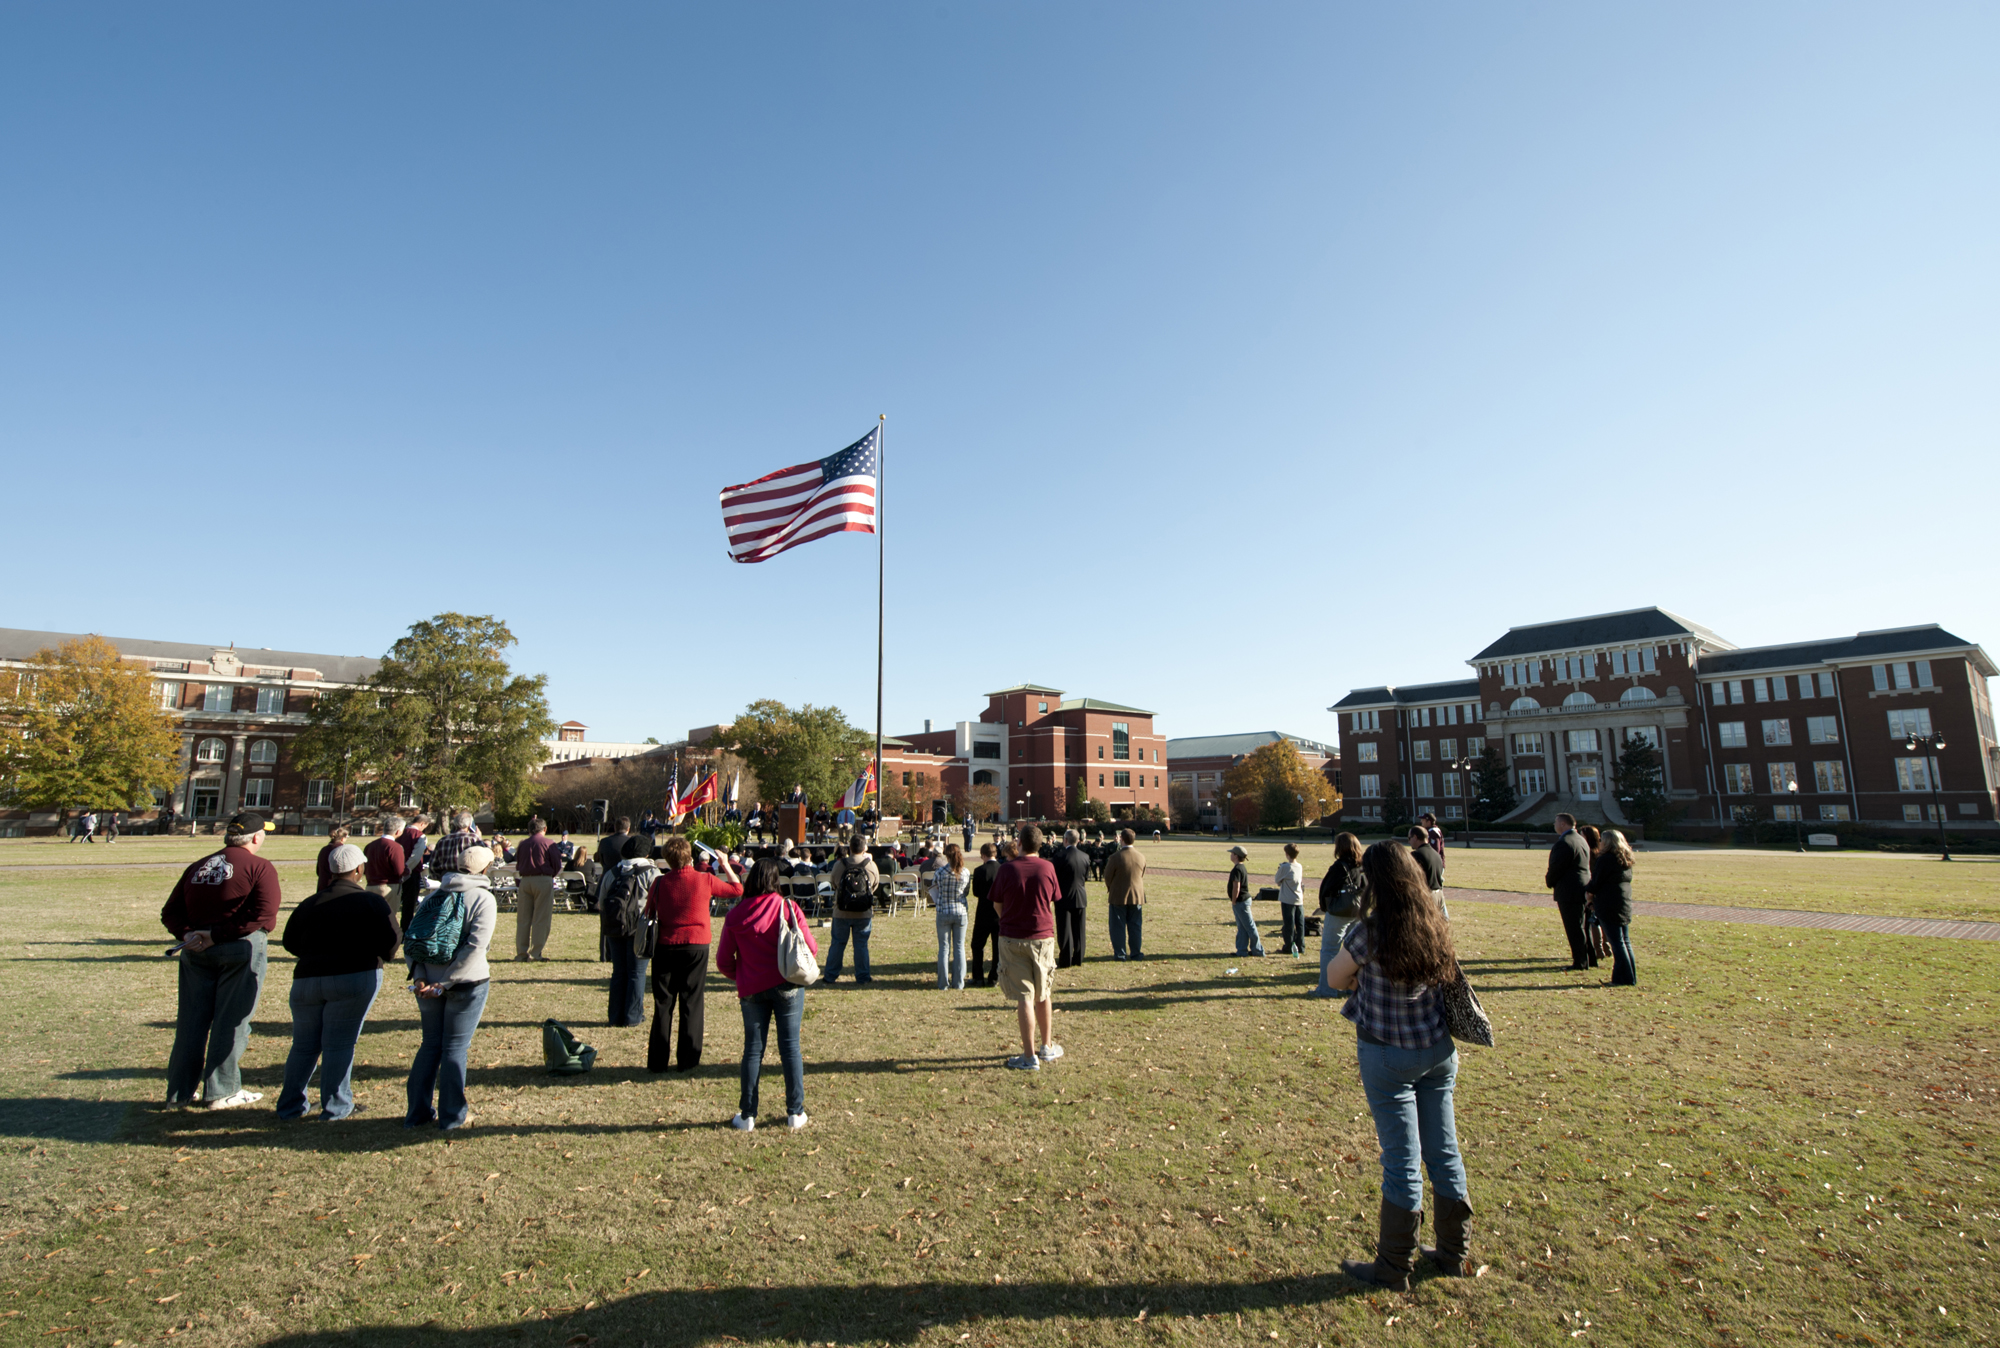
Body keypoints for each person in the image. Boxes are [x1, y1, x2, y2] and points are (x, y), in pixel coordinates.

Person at [1327, 841, 1477, 1289]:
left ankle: (1394, 1265)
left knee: (1401, 1160)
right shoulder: (1435, 923)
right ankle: (1454, 1252)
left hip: (1388, 1053)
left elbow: (1335, 978)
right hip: (1437, 1050)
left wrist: (1358, 977)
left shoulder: (1369, 933)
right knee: (1445, 1152)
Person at [160, 811, 283, 1110]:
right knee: (232, 1022)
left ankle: (179, 1094)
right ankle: (222, 1090)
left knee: (191, 1023)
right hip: (238, 948)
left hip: (195, 951)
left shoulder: (198, 865)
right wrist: (217, 935)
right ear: (256, 837)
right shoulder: (259, 866)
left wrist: (189, 934)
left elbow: (170, 912)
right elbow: (264, 915)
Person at [277, 842, 400, 1121]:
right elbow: (391, 942)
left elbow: (290, 941)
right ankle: (336, 1106)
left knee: (304, 1044)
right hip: (353, 976)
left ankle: (290, 1105)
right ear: (359, 870)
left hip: (307, 978)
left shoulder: (310, 903)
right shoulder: (371, 902)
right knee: (339, 1043)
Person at [714, 856, 817, 1130]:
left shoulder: (736, 915)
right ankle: (795, 1112)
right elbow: (811, 948)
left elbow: (723, 961)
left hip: (751, 990)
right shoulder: (788, 907)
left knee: (752, 1050)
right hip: (788, 985)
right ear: (775, 880)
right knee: (790, 1048)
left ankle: (747, 1114)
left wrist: (745, 976)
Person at [405, 844, 498, 1131]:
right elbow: (475, 947)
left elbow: (414, 939)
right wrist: (446, 983)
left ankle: (417, 1113)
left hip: (429, 979)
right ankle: (451, 1116)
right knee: (455, 1048)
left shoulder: (434, 895)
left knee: (430, 1045)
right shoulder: (483, 898)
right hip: (465, 982)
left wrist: (420, 976)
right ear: (486, 869)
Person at [643, 835, 742, 1071]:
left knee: (663, 1003)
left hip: (666, 945)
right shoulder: (705, 879)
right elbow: (737, 888)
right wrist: (725, 864)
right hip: (696, 945)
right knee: (692, 1001)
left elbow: (649, 911)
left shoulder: (659, 883)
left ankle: (658, 1061)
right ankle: (687, 1060)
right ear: (690, 856)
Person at [992, 824, 1061, 1071]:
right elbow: (1052, 902)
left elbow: (997, 904)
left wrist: (1008, 919)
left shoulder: (1007, 869)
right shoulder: (1048, 868)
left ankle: (1030, 1055)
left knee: (1025, 996)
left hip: (1012, 937)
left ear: (1019, 843)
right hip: (1042, 937)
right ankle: (1047, 1047)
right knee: (1043, 992)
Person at [600, 836, 663, 1027]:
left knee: (618, 972)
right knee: (637, 973)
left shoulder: (612, 872)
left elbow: (601, 901)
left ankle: (615, 1016)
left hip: (614, 926)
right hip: (640, 927)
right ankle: (633, 1016)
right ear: (646, 852)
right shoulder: (651, 873)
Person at [1312, 832, 1364, 998]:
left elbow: (1326, 888)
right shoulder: (1362, 866)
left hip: (1339, 911)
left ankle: (1327, 988)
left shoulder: (1339, 867)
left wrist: (1324, 906)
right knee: (1352, 950)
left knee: (1329, 950)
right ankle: (1351, 985)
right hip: (1358, 910)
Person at [822, 836, 880, 984]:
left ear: (849, 847)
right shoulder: (871, 865)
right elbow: (874, 886)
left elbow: (834, 883)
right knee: (861, 945)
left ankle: (830, 975)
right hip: (863, 912)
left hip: (842, 911)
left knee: (837, 944)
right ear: (865, 847)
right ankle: (863, 976)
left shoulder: (840, 865)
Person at [1545, 813, 1594, 971]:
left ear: (1563, 824)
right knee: (1583, 926)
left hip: (1569, 890)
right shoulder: (1581, 840)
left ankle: (1580, 962)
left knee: (1574, 928)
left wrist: (1549, 881)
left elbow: (1556, 868)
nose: (1554, 825)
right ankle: (1590, 958)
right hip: (1582, 887)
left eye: (1556, 822)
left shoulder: (1564, 843)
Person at [511, 817, 564, 962]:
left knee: (523, 919)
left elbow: (518, 863)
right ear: (544, 829)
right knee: (541, 918)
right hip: (543, 879)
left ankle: (521, 953)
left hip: (525, 880)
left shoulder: (522, 844)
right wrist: (549, 875)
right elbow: (557, 864)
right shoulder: (549, 843)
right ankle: (535, 953)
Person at [1589, 829, 1637, 986]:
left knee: (1617, 943)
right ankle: (1630, 977)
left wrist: (1588, 892)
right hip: (1622, 901)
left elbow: (1596, 882)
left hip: (1608, 903)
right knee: (1625, 941)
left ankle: (1622, 979)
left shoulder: (1605, 859)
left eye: (1602, 840)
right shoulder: (1625, 859)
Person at [931, 842, 971, 990]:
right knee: (959, 947)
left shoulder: (940, 872)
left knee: (944, 947)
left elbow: (935, 888)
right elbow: (966, 891)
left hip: (943, 911)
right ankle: (959, 982)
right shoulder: (965, 872)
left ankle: (943, 983)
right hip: (960, 911)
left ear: (946, 855)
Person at [1103, 828, 1146, 960]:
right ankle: (1136, 952)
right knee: (1135, 926)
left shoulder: (1115, 857)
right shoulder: (1141, 856)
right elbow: (1141, 874)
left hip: (1118, 896)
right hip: (1137, 896)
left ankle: (1120, 953)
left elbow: (1107, 876)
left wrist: (1111, 887)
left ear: (1121, 839)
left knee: (1118, 927)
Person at [1051, 829, 1090, 967]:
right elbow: (1086, 876)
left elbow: (1054, 878)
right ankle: (1078, 957)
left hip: (1063, 897)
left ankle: (1065, 959)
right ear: (1078, 840)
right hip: (1080, 895)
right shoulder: (1085, 856)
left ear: (1065, 840)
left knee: (1064, 929)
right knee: (1079, 929)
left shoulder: (1059, 857)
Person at [968, 842, 1003, 986]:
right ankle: (994, 977)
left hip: (983, 912)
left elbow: (976, 892)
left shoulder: (979, 870)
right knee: (997, 947)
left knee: (977, 945)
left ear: (983, 855)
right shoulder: (1003, 870)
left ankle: (978, 976)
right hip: (999, 913)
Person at [1227, 846, 1265, 957]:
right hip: (1243, 901)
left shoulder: (1237, 869)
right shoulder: (1241, 867)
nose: (1230, 855)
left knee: (1249, 926)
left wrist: (1234, 901)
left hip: (1241, 902)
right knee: (1242, 927)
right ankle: (1242, 951)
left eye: (1232, 853)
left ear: (1236, 856)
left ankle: (1258, 950)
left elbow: (1236, 887)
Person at [396, 815, 431, 931]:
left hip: (396, 871)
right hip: (410, 873)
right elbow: (415, 857)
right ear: (422, 824)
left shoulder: (400, 833)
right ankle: (405, 930)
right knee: (408, 904)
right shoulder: (419, 836)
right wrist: (406, 870)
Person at [1405, 826, 1447, 919]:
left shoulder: (1417, 855)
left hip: (1427, 896)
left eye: (1409, 838)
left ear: (1415, 837)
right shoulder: (1436, 854)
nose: (1409, 841)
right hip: (1439, 895)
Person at [428, 810, 482, 879]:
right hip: (467, 877)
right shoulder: (473, 838)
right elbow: (486, 857)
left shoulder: (442, 840)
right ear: (469, 824)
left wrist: (439, 878)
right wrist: (479, 837)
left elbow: (433, 864)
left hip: (446, 877)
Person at [364, 816, 407, 899]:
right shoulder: (395, 847)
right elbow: (399, 871)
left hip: (370, 886)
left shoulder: (370, 846)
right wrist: (407, 870)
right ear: (398, 832)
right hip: (388, 886)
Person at [1276, 842, 1307, 955]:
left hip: (1287, 899)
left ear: (1287, 854)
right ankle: (1301, 945)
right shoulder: (1299, 866)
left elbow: (1277, 880)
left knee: (1289, 924)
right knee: (1300, 924)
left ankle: (1288, 946)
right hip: (1299, 898)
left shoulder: (1285, 867)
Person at [314, 825, 353, 891]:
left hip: (322, 884)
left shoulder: (324, 849)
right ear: (343, 838)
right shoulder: (342, 850)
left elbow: (318, 870)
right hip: (336, 886)